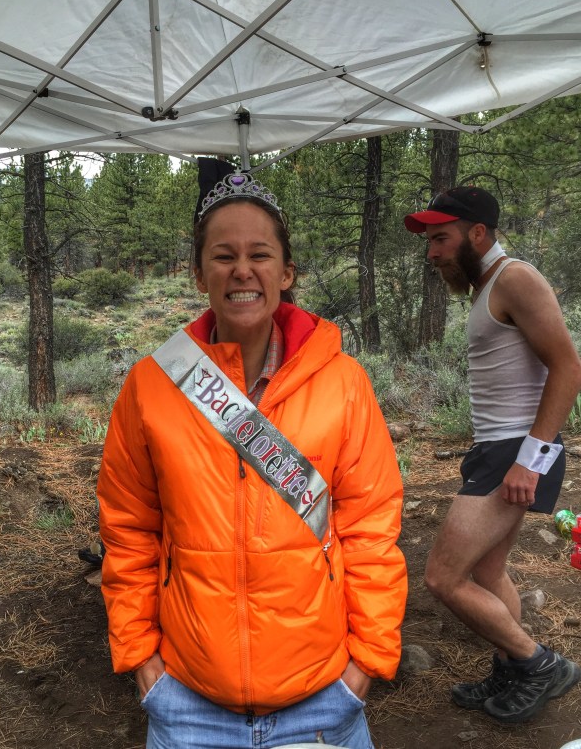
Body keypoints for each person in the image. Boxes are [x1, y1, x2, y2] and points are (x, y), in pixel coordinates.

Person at [97, 171, 407, 749]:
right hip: (187, 704)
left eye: (260, 254)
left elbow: (371, 529)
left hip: (321, 702)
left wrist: (365, 666)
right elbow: (129, 529)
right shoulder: (153, 385)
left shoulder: (342, 382)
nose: (243, 269)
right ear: (200, 274)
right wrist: (140, 659)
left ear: (286, 273)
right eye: (224, 255)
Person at [404, 186, 581, 725]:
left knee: (442, 577)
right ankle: (512, 661)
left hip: (515, 450)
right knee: (486, 572)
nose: (431, 252)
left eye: (441, 238)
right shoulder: (487, 287)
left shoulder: (515, 278)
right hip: (497, 449)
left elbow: (568, 367)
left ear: (477, 233)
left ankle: (539, 663)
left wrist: (530, 458)